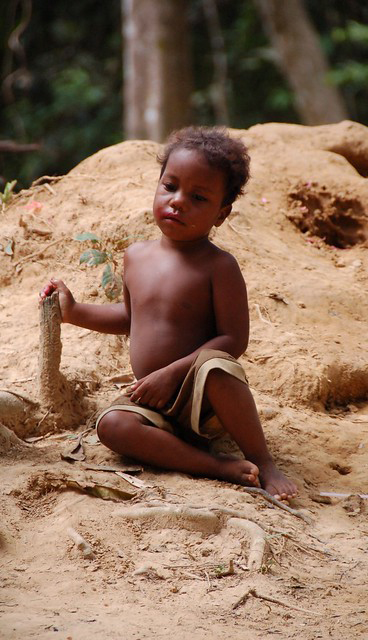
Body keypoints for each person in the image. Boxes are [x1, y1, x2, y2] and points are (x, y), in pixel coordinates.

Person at [40, 126, 297, 500]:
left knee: (217, 367)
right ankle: (214, 466)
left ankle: (265, 463)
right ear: (157, 185)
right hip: (150, 402)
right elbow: (131, 319)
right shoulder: (136, 256)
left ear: (221, 214)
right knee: (111, 426)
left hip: (200, 398)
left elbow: (232, 341)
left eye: (198, 197)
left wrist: (173, 373)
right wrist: (74, 311)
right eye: (170, 187)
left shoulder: (218, 266)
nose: (178, 202)